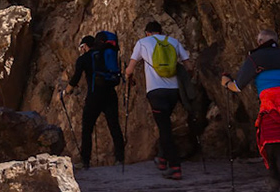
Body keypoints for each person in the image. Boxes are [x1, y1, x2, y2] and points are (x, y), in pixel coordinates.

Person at [223, 30, 280, 192]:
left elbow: (238, 86)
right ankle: (277, 179)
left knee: (275, 145)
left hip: (271, 106)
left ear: (260, 41)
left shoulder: (256, 58)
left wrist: (225, 83)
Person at [128, 22, 190, 180]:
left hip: (155, 92)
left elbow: (130, 68)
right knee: (165, 125)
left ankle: (175, 166)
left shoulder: (142, 42)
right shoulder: (173, 41)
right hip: (174, 91)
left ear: (147, 33)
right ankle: (162, 159)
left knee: (165, 129)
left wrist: (128, 76)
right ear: (161, 31)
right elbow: (189, 66)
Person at [68, 33, 125, 170]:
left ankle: (85, 161)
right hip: (110, 94)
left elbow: (75, 78)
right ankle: (120, 159)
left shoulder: (84, 59)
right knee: (114, 126)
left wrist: (66, 92)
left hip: (94, 96)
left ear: (85, 46)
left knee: (87, 128)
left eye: (81, 47)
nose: (81, 49)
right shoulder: (107, 54)